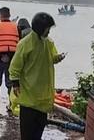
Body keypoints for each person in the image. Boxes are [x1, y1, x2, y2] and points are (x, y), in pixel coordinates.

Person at [9, 12, 66, 140]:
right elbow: (15, 66)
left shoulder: (48, 43)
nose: (49, 32)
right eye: (47, 29)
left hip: (43, 96)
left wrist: (57, 58)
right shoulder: (25, 43)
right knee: (28, 133)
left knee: (38, 131)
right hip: (29, 96)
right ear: (40, 28)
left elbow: (51, 57)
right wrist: (15, 83)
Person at [0, 7, 20, 113]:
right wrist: (9, 56)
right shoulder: (16, 26)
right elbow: (19, 42)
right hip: (12, 59)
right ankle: (11, 104)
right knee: (10, 83)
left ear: (0, 16)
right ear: (10, 15)